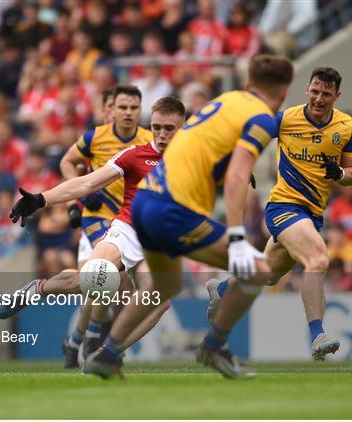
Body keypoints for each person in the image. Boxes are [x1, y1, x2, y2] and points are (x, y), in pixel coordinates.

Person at [81, 54, 294, 379]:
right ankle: (215, 346)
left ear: (248, 84)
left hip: (144, 201)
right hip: (175, 207)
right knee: (259, 269)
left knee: (166, 285)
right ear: (283, 92)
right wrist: (237, 237)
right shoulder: (261, 118)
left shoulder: (225, 101)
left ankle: (107, 353)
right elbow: (238, 177)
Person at [0, 97, 186, 366]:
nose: (161, 134)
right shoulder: (135, 154)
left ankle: (108, 354)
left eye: (169, 128)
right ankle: (37, 289)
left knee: (159, 301)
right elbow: (86, 183)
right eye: (156, 127)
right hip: (128, 231)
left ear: (183, 126)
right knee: (96, 280)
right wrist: (41, 200)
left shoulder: (194, 156)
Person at [207, 67, 352, 368]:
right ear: (307, 90)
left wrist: (340, 174)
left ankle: (221, 289)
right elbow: (246, 133)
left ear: (336, 96)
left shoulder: (346, 126)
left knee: (268, 274)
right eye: (314, 92)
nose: (318, 98)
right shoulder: (287, 119)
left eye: (326, 94)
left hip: (313, 213)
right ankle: (317, 336)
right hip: (284, 207)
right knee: (318, 259)